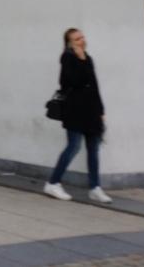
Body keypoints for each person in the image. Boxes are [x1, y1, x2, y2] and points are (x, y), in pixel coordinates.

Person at [44, 28, 112, 203]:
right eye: (76, 39)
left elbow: (94, 85)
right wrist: (80, 59)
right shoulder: (67, 58)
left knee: (93, 149)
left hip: (91, 111)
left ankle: (95, 187)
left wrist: (101, 110)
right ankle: (53, 183)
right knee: (73, 147)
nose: (81, 41)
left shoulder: (88, 58)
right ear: (69, 43)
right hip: (74, 111)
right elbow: (71, 82)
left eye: (82, 37)